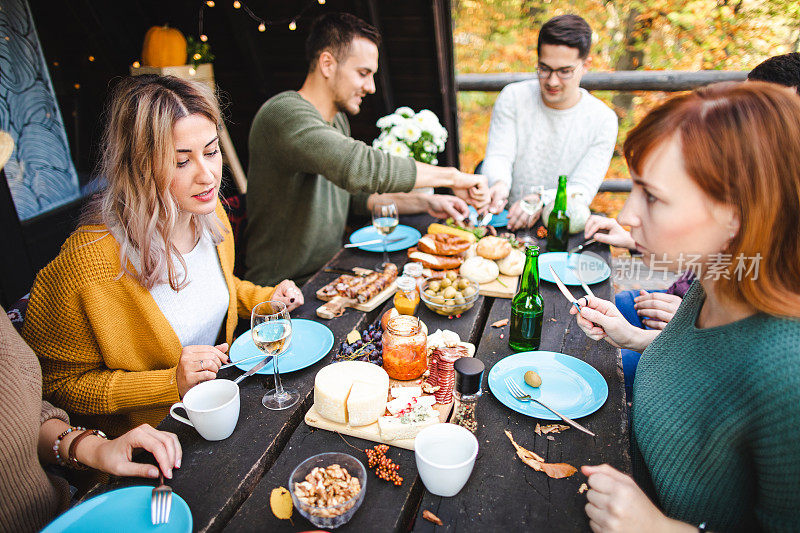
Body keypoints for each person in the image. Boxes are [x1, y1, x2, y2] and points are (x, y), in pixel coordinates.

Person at [570, 82, 800, 531]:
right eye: (634, 187)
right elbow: (699, 374)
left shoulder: (787, 371)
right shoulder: (711, 283)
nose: (629, 214)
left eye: (652, 196)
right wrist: (632, 337)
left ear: (737, 216)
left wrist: (661, 529)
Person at [22, 75, 303, 437]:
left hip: (219, 412)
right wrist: (168, 382)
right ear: (139, 166)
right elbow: (56, 386)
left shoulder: (210, 214)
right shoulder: (87, 263)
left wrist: (265, 299)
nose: (208, 176)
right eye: (181, 162)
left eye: (211, 151)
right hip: (147, 443)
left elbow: (212, 288)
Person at [244, 12, 489, 287]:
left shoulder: (337, 121)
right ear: (327, 64)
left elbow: (356, 199)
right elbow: (359, 167)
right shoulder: (284, 114)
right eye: (363, 73)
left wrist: (427, 203)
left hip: (328, 275)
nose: (371, 87)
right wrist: (454, 177)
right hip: (278, 293)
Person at [1, 306, 182, 531]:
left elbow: (26, 411)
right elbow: (61, 385)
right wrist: (170, 383)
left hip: (64, 507)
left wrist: (95, 448)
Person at [481, 14, 618, 230]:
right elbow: (499, 155)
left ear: (586, 65)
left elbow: (582, 189)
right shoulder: (513, 97)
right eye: (544, 69)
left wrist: (540, 199)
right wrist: (498, 183)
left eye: (565, 71)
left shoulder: (603, 120)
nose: (552, 81)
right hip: (505, 217)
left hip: (560, 224)